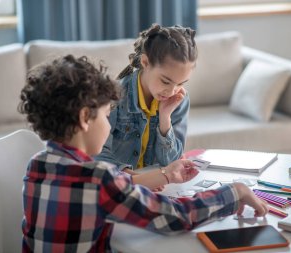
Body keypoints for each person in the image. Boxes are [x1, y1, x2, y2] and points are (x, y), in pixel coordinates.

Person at [19, 55, 268, 252]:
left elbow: (111, 187)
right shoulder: (99, 179)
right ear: (85, 118)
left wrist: (164, 175)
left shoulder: (37, 165)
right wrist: (236, 192)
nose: (108, 125)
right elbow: (175, 218)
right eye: (106, 116)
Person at [96, 23, 197, 170]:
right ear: (145, 62)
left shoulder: (178, 100)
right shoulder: (114, 97)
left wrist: (165, 119)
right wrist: (126, 174)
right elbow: (95, 151)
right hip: (120, 183)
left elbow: (171, 163)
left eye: (180, 84)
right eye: (165, 81)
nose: (171, 92)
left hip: (158, 184)